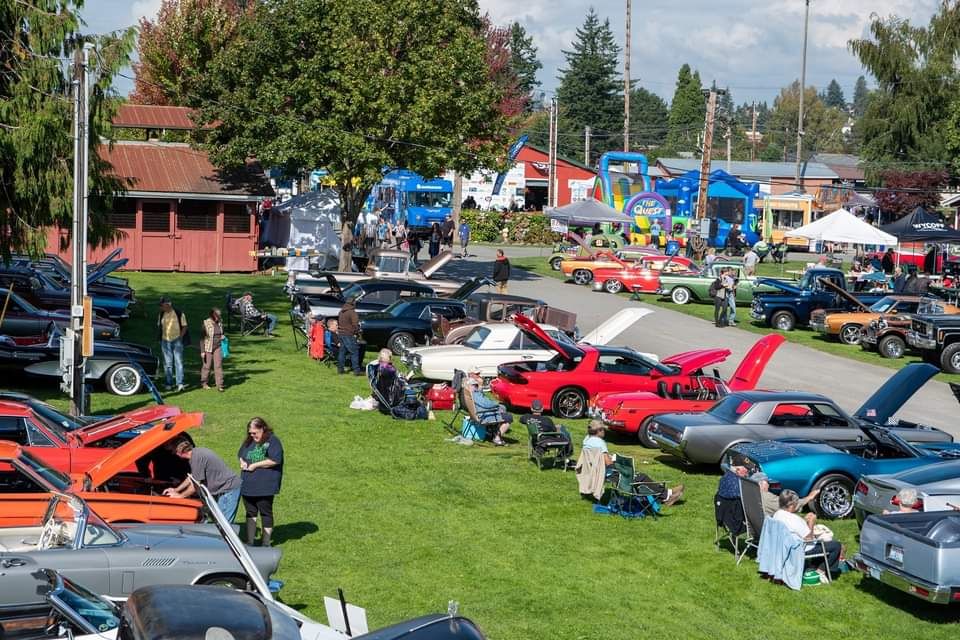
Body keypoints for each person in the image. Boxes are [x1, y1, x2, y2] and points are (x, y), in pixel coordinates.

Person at [581, 421, 684, 506]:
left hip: (594, 472)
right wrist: (617, 460)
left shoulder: (587, 440)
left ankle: (667, 493)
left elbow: (597, 458)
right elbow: (608, 463)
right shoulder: (599, 443)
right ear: (598, 431)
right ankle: (666, 496)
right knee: (641, 477)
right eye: (602, 429)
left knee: (638, 477)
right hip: (610, 474)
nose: (604, 431)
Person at [164, 438, 243, 521]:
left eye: (174, 452)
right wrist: (176, 490)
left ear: (180, 452)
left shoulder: (197, 458)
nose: (175, 454)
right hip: (223, 488)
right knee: (218, 519)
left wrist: (180, 496)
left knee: (224, 522)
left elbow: (195, 486)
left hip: (229, 489)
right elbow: (192, 477)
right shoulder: (196, 453)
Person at [773, 489, 844, 579]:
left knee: (824, 544)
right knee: (836, 545)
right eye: (796, 504)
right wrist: (811, 522)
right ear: (791, 505)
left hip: (784, 547)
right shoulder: (793, 518)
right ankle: (821, 571)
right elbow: (809, 539)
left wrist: (804, 521)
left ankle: (813, 565)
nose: (797, 506)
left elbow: (795, 529)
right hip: (799, 549)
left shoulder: (777, 515)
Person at [239, 417, 284, 546]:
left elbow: (275, 460)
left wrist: (255, 465)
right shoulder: (249, 441)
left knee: (265, 512)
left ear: (262, 429)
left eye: (255, 433)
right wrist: (242, 462)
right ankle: (250, 541)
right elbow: (241, 454)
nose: (252, 436)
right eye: (250, 433)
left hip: (265, 485)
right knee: (250, 512)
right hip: (248, 484)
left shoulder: (273, 441)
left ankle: (266, 543)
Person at [467, 368, 511, 445]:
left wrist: (479, 386)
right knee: (508, 417)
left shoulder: (469, 390)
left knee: (502, 408)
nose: (479, 376)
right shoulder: (474, 393)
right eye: (477, 375)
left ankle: (492, 430)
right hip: (483, 415)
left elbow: (482, 400)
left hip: (478, 411)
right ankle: (497, 438)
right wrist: (496, 403)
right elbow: (485, 404)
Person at [751, 472, 819, 517]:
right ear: (760, 484)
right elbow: (788, 506)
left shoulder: (749, 494)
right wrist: (809, 497)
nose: (769, 485)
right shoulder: (767, 497)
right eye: (767, 482)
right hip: (769, 530)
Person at [157, 296, 187, 391]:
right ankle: (168, 383)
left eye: (162, 305)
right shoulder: (161, 314)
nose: (161, 307)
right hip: (165, 341)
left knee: (178, 362)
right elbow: (159, 326)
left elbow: (185, 327)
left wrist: (180, 337)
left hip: (177, 340)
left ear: (168, 305)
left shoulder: (179, 313)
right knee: (167, 363)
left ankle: (180, 383)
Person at [200, 308, 225, 392]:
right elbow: (202, 338)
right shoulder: (206, 323)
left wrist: (222, 337)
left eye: (219, 316)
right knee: (207, 366)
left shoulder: (220, 322)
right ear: (213, 315)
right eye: (217, 316)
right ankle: (204, 383)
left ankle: (220, 385)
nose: (219, 317)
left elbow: (222, 333)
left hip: (218, 346)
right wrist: (202, 351)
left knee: (218, 366)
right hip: (208, 348)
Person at [337, 297, 363, 375]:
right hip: (349, 334)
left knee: (342, 352)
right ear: (353, 303)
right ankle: (357, 371)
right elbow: (355, 325)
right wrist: (358, 332)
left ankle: (340, 369)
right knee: (354, 352)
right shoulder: (352, 312)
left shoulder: (341, 312)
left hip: (341, 334)